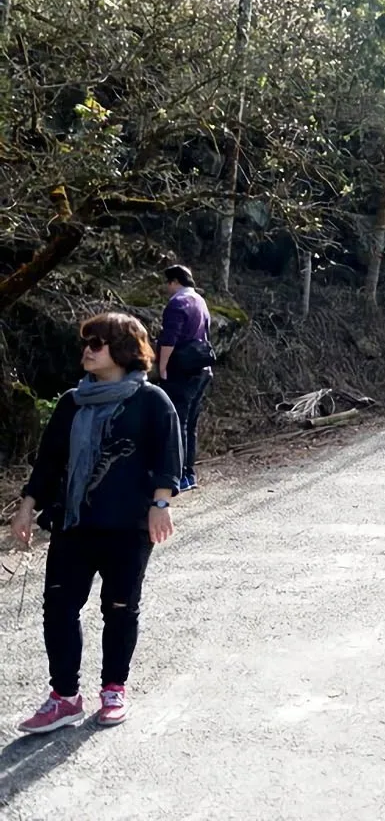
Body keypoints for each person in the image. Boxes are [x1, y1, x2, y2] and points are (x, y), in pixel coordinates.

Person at [11, 312, 181, 733]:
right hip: (74, 524)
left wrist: (161, 502)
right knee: (59, 607)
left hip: (127, 526)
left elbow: (169, 457)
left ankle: (113, 690)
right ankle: (65, 697)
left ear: (122, 350)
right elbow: (50, 461)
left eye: (98, 343)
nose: (87, 351)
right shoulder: (72, 402)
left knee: (120, 609)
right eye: (86, 343)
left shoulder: (151, 402)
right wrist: (28, 505)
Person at [157, 264, 213, 492]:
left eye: (167, 283)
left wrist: (162, 367)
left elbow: (170, 337)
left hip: (182, 369)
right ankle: (189, 474)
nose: (166, 288)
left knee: (176, 423)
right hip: (202, 368)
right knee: (190, 424)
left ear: (174, 281)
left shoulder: (177, 303)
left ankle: (177, 475)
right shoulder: (200, 300)